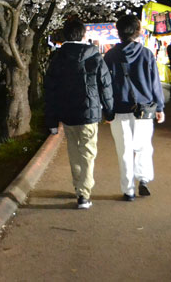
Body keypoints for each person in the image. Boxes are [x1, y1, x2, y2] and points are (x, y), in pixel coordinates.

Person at [44, 18, 114, 210]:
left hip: (67, 114)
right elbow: (105, 85)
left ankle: (79, 188)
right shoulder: (95, 56)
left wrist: (51, 121)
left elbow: (50, 90)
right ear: (84, 35)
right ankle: (84, 194)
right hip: (89, 113)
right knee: (88, 153)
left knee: (74, 152)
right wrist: (109, 111)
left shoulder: (58, 58)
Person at [104, 15, 165, 201]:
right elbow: (155, 83)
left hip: (120, 110)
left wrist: (107, 110)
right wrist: (160, 107)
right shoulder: (146, 54)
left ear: (119, 32)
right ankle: (144, 179)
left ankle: (128, 190)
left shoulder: (110, 56)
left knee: (124, 151)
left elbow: (106, 86)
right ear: (137, 31)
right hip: (144, 110)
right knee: (144, 147)